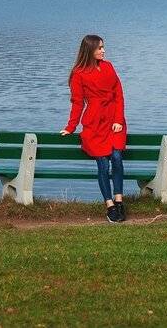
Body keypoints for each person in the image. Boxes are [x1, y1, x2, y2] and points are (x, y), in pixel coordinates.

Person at [61, 34, 127, 223]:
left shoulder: (108, 67)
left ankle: (119, 201)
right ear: (89, 50)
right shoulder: (78, 73)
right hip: (94, 124)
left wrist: (119, 120)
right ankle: (110, 205)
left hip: (114, 121)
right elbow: (77, 102)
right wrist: (71, 126)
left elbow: (119, 95)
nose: (103, 51)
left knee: (116, 157)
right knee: (103, 164)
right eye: (99, 48)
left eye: (103, 47)